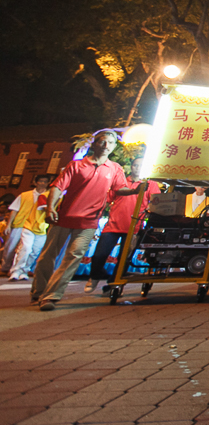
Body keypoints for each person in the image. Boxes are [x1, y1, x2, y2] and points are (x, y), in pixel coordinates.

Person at [31, 131, 142, 311]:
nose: (106, 145)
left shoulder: (114, 168)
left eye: (111, 143)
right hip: (64, 217)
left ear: (114, 147)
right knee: (47, 256)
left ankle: (51, 296)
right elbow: (58, 187)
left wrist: (134, 191)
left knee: (73, 257)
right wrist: (51, 207)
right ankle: (38, 291)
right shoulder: (76, 165)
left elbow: (119, 188)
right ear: (94, 144)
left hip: (89, 221)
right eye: (103, 142)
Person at [85, 157, 161, 293]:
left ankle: (113, 285)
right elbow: (107, 200)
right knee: (99, 254)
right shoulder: (121, 181)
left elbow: (156, 203)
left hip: (134, 227)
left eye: (141, 166)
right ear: (131, 167)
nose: (138, 168)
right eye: (136, 165)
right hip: (113, 225)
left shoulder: (150, 184)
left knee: (123, 259)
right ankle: (95, 276)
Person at [0, 177, 48, 276]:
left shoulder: (48, 196)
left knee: (29, 248)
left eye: (45, 182)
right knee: (10, 246)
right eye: (40, 181)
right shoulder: (25, 195)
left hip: (35, 226)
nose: (43, 183)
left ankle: (25, 268)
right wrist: (8, 225)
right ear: (35, 182)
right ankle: (5, 267)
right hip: (20, 224)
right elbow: (14, 210)